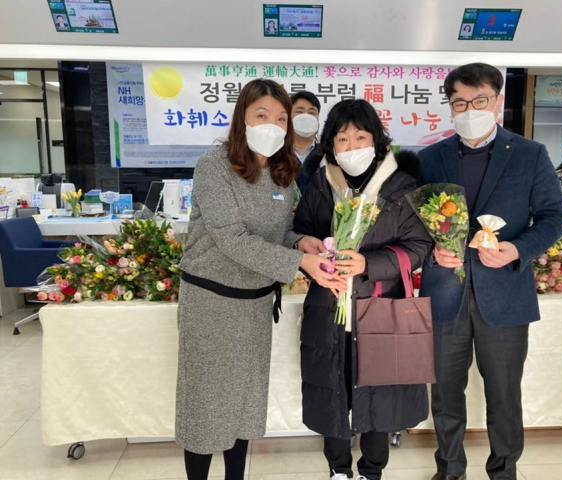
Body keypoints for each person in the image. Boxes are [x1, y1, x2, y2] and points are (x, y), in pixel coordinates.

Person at [175, 78, 339, 480]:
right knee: (206, 405)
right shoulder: (215, 165)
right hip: (211, 303)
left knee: (245, 401)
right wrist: (298, 265)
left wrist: (302, 243)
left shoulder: (284, 171)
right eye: (261, 115)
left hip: (255, 302)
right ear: (242, 119)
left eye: (281, 117)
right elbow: (231, 237)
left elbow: (277, 233)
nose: (273, 124)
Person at [417, 63, 562, 480]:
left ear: (498, 101)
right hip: (444, 295)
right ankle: (449, 470)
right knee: (445, 395)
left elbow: (555, 217)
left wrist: (517, 250)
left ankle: (504, 471)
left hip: (504, 293)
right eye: (459, 102)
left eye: (479, 100)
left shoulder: (529, 153)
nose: (470, 109)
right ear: (449, 107)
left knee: (503, 394)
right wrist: (432, 252)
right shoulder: (430, 158)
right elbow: (414, 226)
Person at [294, 99, 432, 480]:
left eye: (360, 136)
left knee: (379, 393)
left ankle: (372, 470)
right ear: (330, 145)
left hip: (380, 307)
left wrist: (369, 264)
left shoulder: (401, 187)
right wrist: (303, 243)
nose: (351, 146)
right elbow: (298, 229)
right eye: (342, 138)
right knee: (331, 389)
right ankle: (339, 469)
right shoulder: (321, 184)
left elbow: (419, 247)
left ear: (377, 140)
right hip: (329, 306)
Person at [291, 91, 323, 194]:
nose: (306, 117)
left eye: (312, 112)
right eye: (300, 112)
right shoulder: (276, 153)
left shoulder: (327, 154)